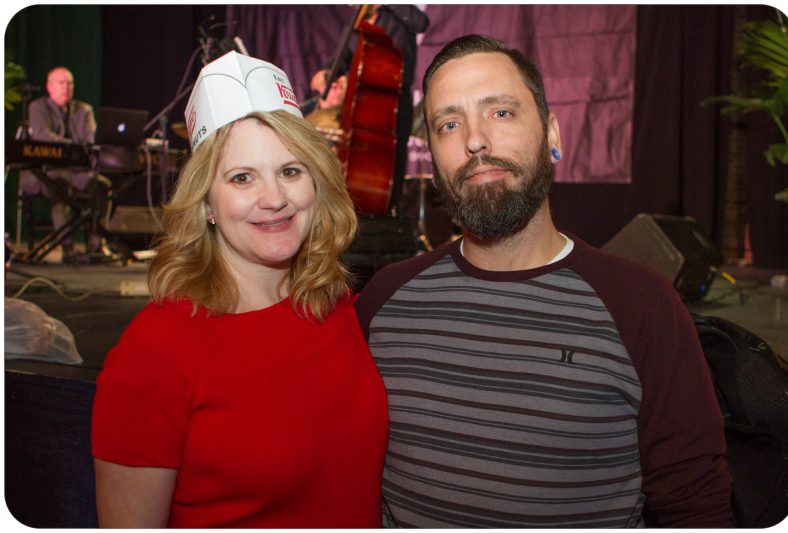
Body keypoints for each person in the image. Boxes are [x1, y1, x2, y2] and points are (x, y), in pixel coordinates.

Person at [355, 35, 732, 527]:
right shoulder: (385, 299)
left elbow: (695, 504)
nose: (474, 141)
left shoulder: (641, 304)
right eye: (449, 124)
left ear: (552, 133)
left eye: (501, 112)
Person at [91, 53, 388, 528]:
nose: (274, 199)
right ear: (207, 203)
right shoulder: (153, 355)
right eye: (242, 177)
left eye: (290, 171)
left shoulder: (337, 305)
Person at [308, 4, 429, 211]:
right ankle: (357, 207)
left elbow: (421, 23)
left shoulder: (396, 16)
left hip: (395, 97)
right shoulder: (357, 22)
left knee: (392, 157)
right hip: (363, 101)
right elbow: (340, 59)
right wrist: (326, 73)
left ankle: (391, 210)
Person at [20, 66, 110, 260]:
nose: (66, 87)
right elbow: (42, 136)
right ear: (49, 87)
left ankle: (96, 245)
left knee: (103, 186)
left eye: (70, 83)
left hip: (77, 171)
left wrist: (76, 148)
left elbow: (90, 141)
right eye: (61, 83)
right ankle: (67, 248)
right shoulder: (37, 107)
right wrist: (73, 146)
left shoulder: (84, 110)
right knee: (59, 188)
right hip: (48, 170)